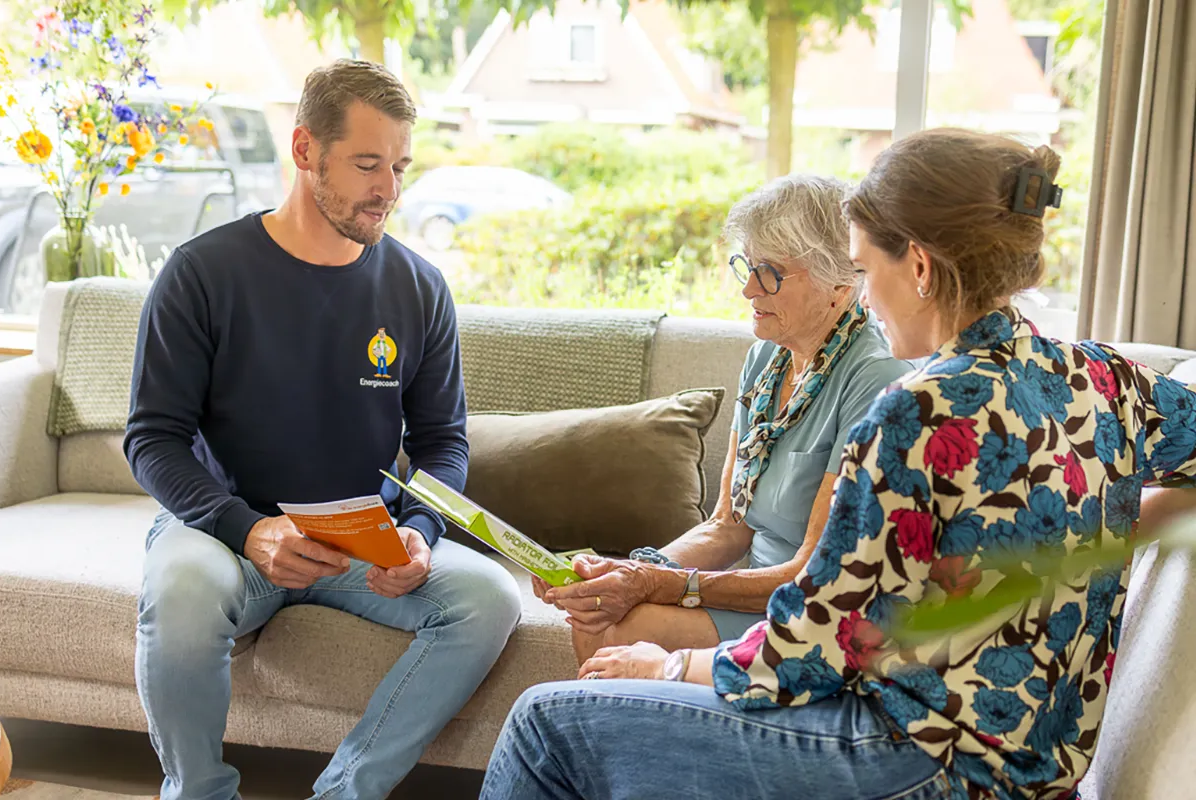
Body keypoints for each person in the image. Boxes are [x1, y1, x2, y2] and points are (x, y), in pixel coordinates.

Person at [479, 128, 1196, 800]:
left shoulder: (914, 412)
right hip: (1039, 764)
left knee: (549, 723)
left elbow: (816, 644)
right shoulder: (1103, 380)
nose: (864, 295)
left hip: (917, 758)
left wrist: (664, 666)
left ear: (918, 265)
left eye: (862, 268)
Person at [125, 59, 521, 800]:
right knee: (177, 591)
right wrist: (248, 530)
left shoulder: (419, 287)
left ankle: (345, 793)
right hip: (223, 532)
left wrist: (419, 533)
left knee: (490, 600)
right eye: (368, 163)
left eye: (400, 166)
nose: (389, 190)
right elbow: (151, 437)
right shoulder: (202, 273)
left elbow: (442, 441)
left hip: (358, 544)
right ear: (306, 151)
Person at [535, 175, 910, 664]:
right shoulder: (766, 358)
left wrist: (659, 583)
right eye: (747, 267)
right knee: (602, 610)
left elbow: (811, 571)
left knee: (620, 627)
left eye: (771, 272)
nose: (749, 289)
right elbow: (727, 528)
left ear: (838, 284)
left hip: (811, 611)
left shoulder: (875, 378)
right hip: (752, 591)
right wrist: (623, 573)